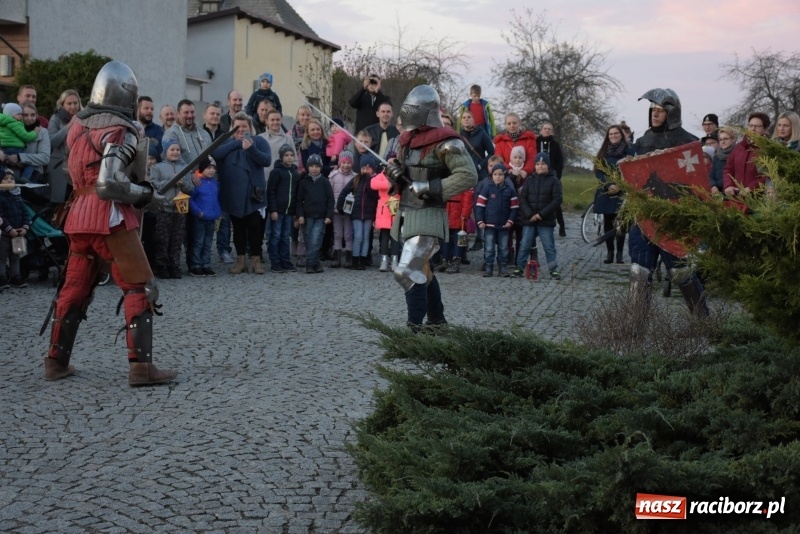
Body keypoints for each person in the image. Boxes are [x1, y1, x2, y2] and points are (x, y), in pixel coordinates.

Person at [43, 60, 177, 385]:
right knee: (139, 286)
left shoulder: (77, 126)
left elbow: (79, 174)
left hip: (77, 217)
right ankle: (141, 369)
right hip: (109, 217)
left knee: (74, 287)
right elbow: (110, 184)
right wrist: (148, 196)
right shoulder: (121, 130)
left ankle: (55, 362)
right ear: (128, 96)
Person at [383, 85, 478, 330]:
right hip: (406, 213)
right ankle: (437, 321)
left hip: (428, 214)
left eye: (414, 109)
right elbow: (404, 179)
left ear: (427, 111)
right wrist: (394, 172)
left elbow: (468, 175)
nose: (409, 114)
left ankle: (413, 329)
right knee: (422, 268)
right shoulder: (407, 140)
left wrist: (431, 187)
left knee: (406, 270)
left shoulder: (446, 141)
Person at [629, 88, 707, 315]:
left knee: (681, 273)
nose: (655, 114)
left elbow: (695, 184)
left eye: (660, 110)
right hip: (644, 217)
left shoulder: (687, 143)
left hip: (673, 219)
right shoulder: (643, 141)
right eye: (652, 110)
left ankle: (704, 322)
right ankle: (632, 329)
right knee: (639, 271)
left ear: (671, 114)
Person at [212, 112, 271, 275]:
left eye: (244, 126)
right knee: (237, 229)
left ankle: (256, 261)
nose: (241, 129)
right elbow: (215, 155)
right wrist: (236, 143)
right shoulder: (226, 141)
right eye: (237, 127)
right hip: (233, 193)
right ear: (232, 128)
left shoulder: (259, 141)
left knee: (255, 228)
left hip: (253, 193)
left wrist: (251, 148)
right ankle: (240, 261)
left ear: (250, 127)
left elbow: (266, 160)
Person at [148, 139, 195, 279]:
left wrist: (183, 184)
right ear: (166, 152)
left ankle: (175, 266)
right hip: (164, 208)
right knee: (162, 239)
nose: (175, 152)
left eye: (178, 150)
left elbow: (191, 188)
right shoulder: (157, 168)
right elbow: (154, 185)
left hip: (180, 209)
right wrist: (170, 181)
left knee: (177, 239)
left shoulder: (185, 167)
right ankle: (162, 266)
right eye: (172, 150)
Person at [515, 153, 563, 279]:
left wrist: (541, 214)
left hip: (545, 220)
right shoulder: (529, 180)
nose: (540, 167)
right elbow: (523, 198)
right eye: (537, 164)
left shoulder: (554, 180)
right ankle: (519, 267)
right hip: (530, 219)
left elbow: (557, 200)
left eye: (543, 164)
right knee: (524, 244)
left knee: (549, 246)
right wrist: (530, 214)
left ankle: (553, 269)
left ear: (548, 165)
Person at [594, 124, 634, 264]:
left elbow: (633, 171)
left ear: (621, 134)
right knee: (608, 223)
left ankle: (619, 253)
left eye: (616, 133)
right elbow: (599, 171)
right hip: (607, 191)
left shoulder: (629, 151)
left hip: (622, 192)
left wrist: (621, 185)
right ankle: (610, 252)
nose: (613, 136)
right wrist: (608, 185)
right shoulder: (603, 153)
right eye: (610, 134)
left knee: (620, 224)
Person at [475, 163, 518, 277]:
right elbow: (479, 205)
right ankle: (489, 266)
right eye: (495, 174)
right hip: (489, 225)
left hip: (504, 225)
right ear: (491, 175)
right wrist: (480, 220)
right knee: (489, 247)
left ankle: (502, 267)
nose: (497, 177)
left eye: (500, 174)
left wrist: (510, 221)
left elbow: (514, 208)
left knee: (504, 248)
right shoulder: (487, 188)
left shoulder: (510, 190)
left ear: (505, 176)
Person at [337, 154, 379, 270]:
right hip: (356, 213)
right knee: (358, 236)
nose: (365, 170)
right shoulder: (356, 179)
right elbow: (344, 191)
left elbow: (376, 197)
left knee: (366, 237)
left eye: (368, 168)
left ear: (372, 169)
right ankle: (355, 260)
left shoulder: (374, 181)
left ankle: (363, 260)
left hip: (369, 214)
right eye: (363, 168)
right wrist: (340, 206)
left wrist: (369, 183)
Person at [296, 154, 333, 273]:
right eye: (311, 166)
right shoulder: (304, 182)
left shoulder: (325, 182)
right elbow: (299, 200)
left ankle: (309, 264)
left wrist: (329, 215)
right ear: (308, 167)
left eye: (317, 166)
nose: (314, 168)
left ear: (321, 167)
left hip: (321, 217)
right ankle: (316, 264)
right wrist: (300, 215)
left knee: (316, 239)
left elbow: (330, 200)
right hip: (307, 216)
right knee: (308, 240)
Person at [267, 144, 300, 273]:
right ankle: (275, 261)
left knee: (286, 236)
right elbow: (271, 192)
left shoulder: (295, 173)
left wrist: (296, 212)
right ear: (281, 157)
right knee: (275, 236)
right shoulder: (276, 172)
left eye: (291, 155)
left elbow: (297, 194)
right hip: (278, 211)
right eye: (286, 155)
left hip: (289, 211)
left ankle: (285, 260)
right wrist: (273, 209)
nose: (289, 158)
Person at [723, 112, 771, 198]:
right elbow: (728, 168)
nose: (753, 129)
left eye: (757, 126)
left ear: (765, 129)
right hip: (736, 196)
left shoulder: (768, 149)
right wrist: (728, 185)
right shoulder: (739, 147)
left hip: (758, 198)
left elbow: (768, 175)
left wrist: (751, 188)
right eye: (751, 125)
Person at [188, 156, 221, 277]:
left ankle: (206, 264)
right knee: (198, 242)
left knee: (208, 243)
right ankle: (195, 265)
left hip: (211, 217)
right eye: (208, 168)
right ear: (202, 168)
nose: (212, 170)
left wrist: (218, 213)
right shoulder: (197, 182)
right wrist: (198, 212)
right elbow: (190, 199)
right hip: (200, 218)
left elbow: (216, 200)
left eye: (213, 168)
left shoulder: (214, 183)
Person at [47, 89, 83, 202]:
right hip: (59, 167)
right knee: (58, 204)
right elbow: (52, 141)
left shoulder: (85, 119)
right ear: (62, 104)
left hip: (78, 167)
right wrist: (70, 125)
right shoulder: (55, 118)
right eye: (69, 103)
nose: (73, 106)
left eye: (75, 103)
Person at [4, 103, 50, 188]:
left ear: (37, 116)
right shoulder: (11, 129)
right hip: (9, 174)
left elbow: (45, 157)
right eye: (25, 115)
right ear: (20, 116)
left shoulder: (42, 132)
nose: (29, 118)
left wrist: (20, 157)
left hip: (33, 176)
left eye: (33, 115)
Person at [0, 168, 31, 289]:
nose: (9, 181)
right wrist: (9, 229)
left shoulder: (17, 197)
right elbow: (1, 216)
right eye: (5, 179)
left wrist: (25, 227)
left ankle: (16, 276)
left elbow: (25, 213)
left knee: (15, 256)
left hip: (18, 233)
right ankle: (2, 278)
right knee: (2, 257)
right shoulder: (1, 198)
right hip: (5, 234)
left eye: (12, 179)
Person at [536, 121, 566, 236]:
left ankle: (561, 225)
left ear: (551, 131)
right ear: (541, 130)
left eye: (549, 129)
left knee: (555, 202)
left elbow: (560, 162)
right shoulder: (536, 142)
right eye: (545, 128)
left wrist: (557, 177)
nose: (547, 130)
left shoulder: (555, 144)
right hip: (537, 174)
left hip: (552, 175)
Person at [328, 150, 356, 268]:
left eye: (348, 163)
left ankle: (348, 255)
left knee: (349, 234)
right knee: (337, 233)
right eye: (344, 162)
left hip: (349, 211)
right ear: (340, 163)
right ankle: (337, 256)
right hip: (336, 210)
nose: (346, 165)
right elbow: (329, 193)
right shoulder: (333, 176)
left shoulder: (355, 177)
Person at [0, 103, 39, 183]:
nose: (21, 116)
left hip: (3, 150)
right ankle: (25, 177)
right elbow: (26, 137)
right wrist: (35, 132)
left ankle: (3, 177)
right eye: (19, 114)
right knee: (30, 162)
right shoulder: (15, 123)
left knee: (3, 165)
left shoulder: (2, 123)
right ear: (11, 115)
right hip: (16, 149)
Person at [710, 125, 737, 195]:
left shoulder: (738, 154)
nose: (722, 142)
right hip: (720, 193)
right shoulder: (717, 157)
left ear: (733, 139)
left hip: (734, 192)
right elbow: (711, 175)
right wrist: (713, 185)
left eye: (725, 139)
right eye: (720, 139)